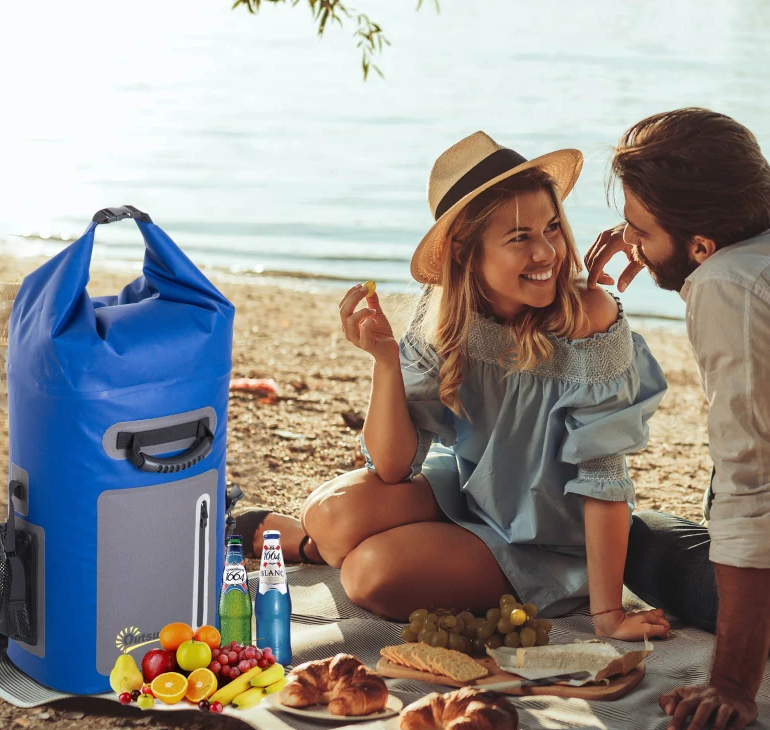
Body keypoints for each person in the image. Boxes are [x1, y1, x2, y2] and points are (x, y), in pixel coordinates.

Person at [236, 131, 670, 643]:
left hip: (550, 540)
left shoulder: (589, 319)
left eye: (552, 227)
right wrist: (386, 363)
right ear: (464, 252)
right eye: (519, 237)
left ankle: (350, 549)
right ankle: (314, 545)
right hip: (469, 492)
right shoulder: (445, 313)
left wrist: (608, 614)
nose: (546, 252)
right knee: (326, 514)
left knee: (369, 575)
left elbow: (603, 475)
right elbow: (393, 467)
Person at [586, 108, 770, 730]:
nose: (629, 244)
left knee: (637, 542)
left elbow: (752, 487)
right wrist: (655, 236)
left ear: (702, 246)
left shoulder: (726, 286)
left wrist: (733, 683)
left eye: (640, 231)